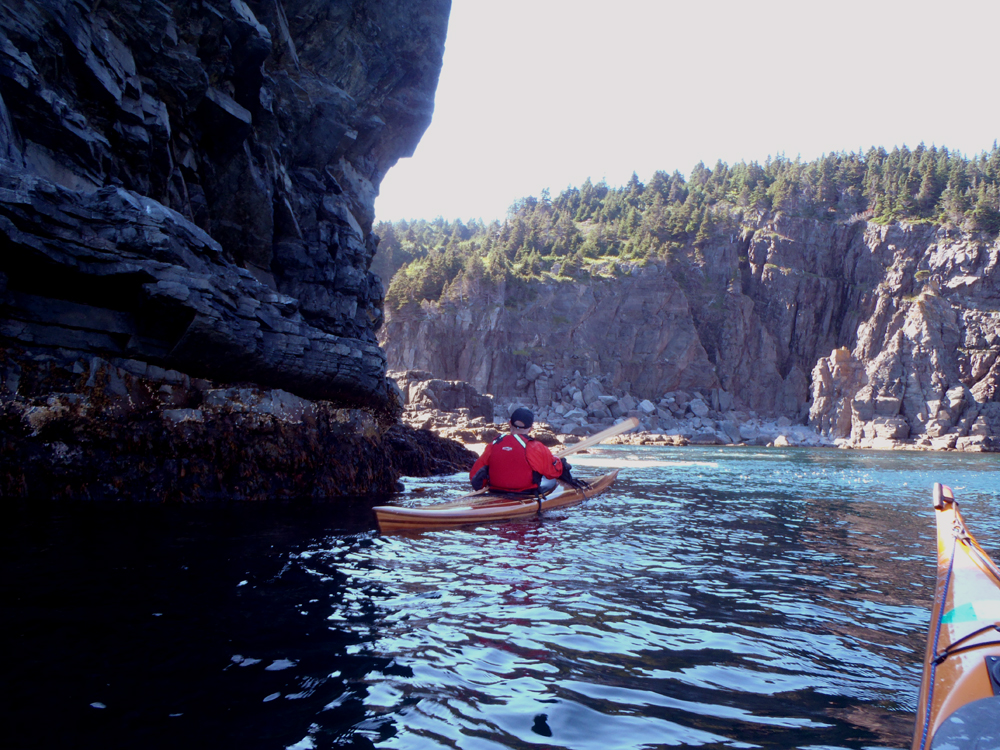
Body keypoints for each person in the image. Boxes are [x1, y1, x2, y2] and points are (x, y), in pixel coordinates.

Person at [469, 407, 577, 493]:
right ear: (531, 428)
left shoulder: (494, 444)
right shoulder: (535, 447)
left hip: (496, 491)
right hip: (525, 493)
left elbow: (474, 476)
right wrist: (560, 462)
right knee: (552, 481)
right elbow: (553, 472)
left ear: (509, 423)